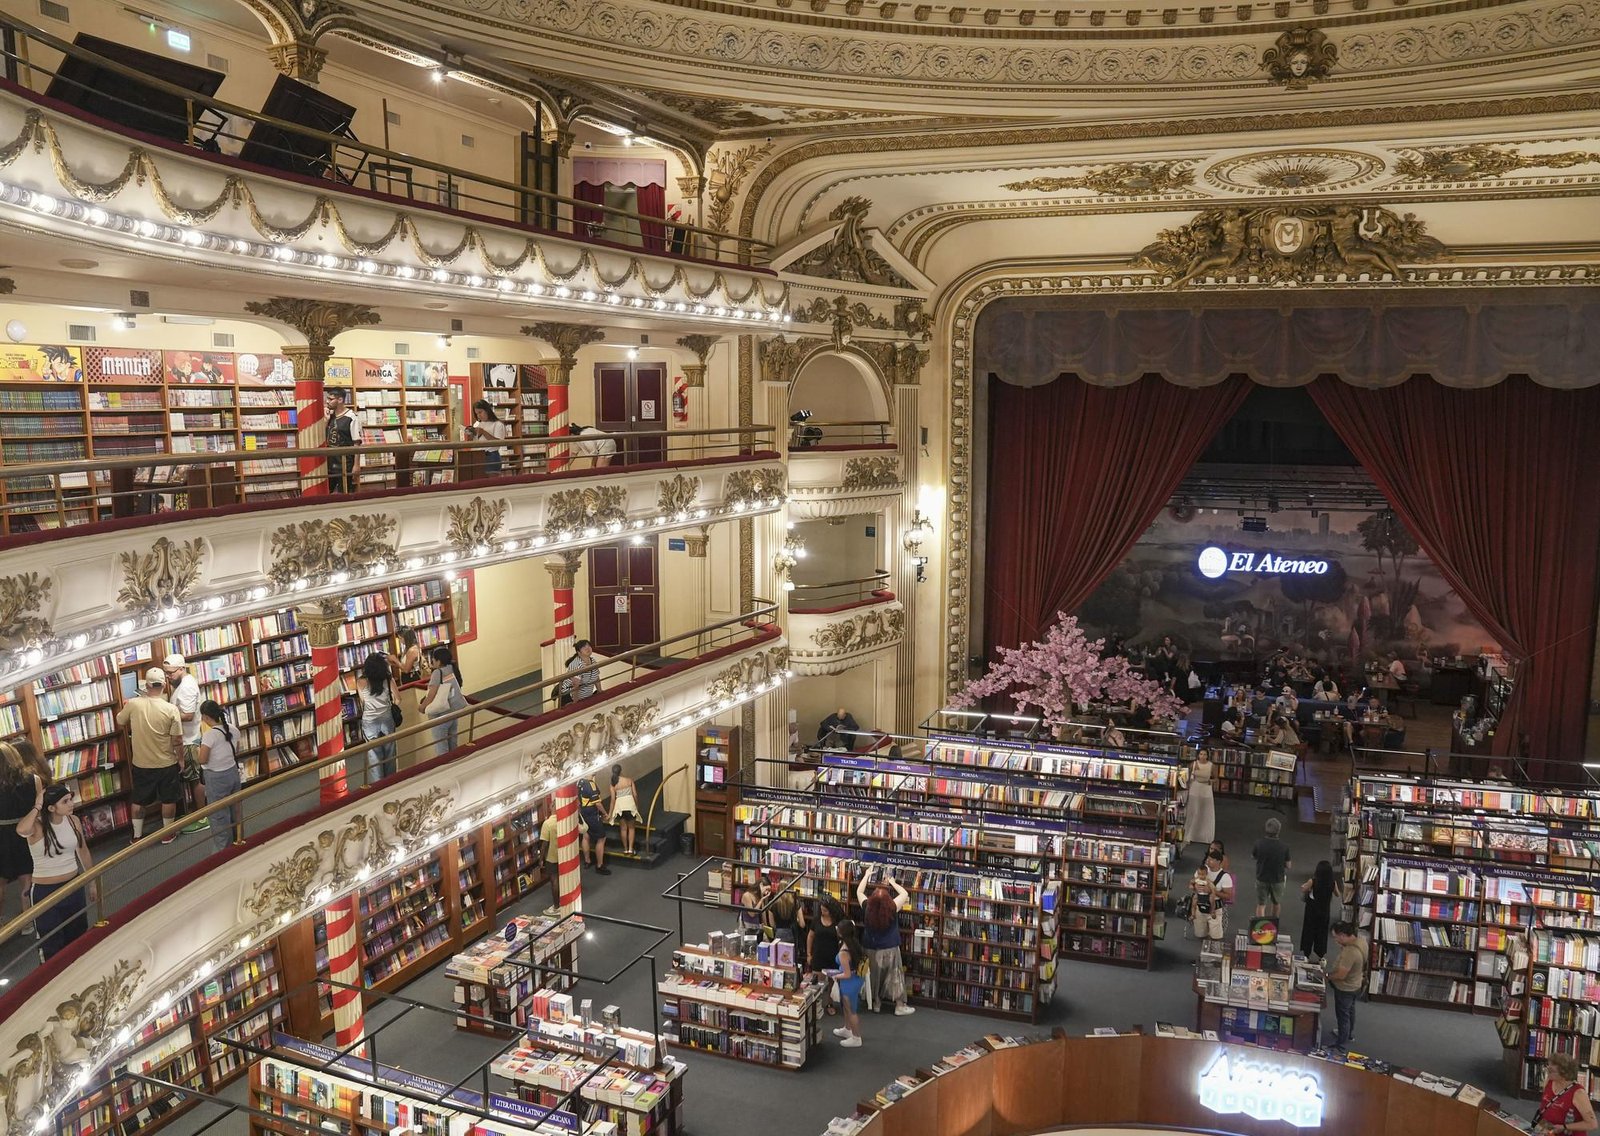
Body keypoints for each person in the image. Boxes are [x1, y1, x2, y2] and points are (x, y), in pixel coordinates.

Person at [17, 783, 95, 963]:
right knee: (51, 941)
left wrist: (92, 882)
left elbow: (83, 851)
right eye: (65, 801)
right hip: (46, 892)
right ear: (51, 808)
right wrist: (37, 805)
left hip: (73, 886)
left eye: (70, 799)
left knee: (78, 934)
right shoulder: (37, 826)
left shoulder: (73, 821)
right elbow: (21, 829)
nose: (71, 803)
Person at [116, 667, 184, 844]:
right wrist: (181, 759)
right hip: (166, 762)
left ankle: (137, 835)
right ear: (164, 685)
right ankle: (167, 833)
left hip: (141, 763)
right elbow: (177, 739)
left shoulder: (134, 704)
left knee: (139, 800)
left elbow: (120, 720)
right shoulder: (171, 709)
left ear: (146, 685)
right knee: (168, 799)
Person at [856, 870, 915, 1015]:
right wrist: (893, 882)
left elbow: (859, 891)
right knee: (895, 975)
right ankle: (899, 1005)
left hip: (870, 948)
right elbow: (904, 894)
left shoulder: (867, 907)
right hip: (890, 948)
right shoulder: (892, 907)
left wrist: (866, 875)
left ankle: (876, 1002)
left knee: (874, 976)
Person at [163, 654, 207, 833]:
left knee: (195, 780)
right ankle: (197, 813)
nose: (168, 677)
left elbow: (188, 715)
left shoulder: (187, 686)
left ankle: (203, 817)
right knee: (191, 779)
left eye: (171, 673)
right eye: (166, 673)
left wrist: (166, 714)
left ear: (181, 669)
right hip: (187, 738)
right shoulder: (182, 683)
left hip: (189, 741)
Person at [0, 741, 41, 922]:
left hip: (1, 835)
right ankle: (28, 922)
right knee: (27, 879)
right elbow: (38, 808)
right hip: (26, 832)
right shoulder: (34, 779)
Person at [197, 701, 242, 853]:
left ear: (205, 717)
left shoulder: (209, 736)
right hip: (233, 772)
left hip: (216, 778)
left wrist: (197, 752)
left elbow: (203, 759)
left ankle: (223, 851)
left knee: (219, 815)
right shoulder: (233, 729)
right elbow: (236, 750)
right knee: (235, 810)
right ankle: (239, 840)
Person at [1324, 921, 1367, 1049]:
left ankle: (1340, 1042)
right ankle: (1349, 1035)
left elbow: (1341, 975)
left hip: (1345, 988)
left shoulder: (1350, 952)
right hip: (1357, 984)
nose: (1335, 940)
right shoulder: (1362, 941)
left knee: (1343, 1015)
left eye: (1336, 937)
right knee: (1350, 1011)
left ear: (1342, 935)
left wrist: (1327, 976)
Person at [359, 652, 401, 781]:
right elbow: (398, 699)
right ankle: (391, 781)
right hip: (387, 718)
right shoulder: (388, 679)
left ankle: (378, 783)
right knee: (390, 751)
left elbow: (363, 702)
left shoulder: (361, 682)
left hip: (369, 721)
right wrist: (389, 706)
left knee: (373, 754)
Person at [825, 918, 867, 1047]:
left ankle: (856, 1037)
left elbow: (847, 974)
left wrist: (833, 975)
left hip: (849, 981)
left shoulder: (844, 952)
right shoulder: (854, 944)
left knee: (851, 1009)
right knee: (846, 1006)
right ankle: (847, 1029)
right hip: (855, 978)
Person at [1533, 1053, 1598, 1134]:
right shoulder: (1549, 1081)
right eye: (1548, 1067)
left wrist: (1564, 1127)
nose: (1547, 1072)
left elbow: (1592, 1124)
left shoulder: (1578, 1093)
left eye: (1551, 1071)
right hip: (1548, 1131)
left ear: (1564, 1073)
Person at [422, 645, 465, 757]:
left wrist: (422, 707)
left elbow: (431, 695)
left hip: (440, 715)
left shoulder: (437, 673)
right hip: (453, 712)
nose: (432, 661)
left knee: (441, 747)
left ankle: (446, 767)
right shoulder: (453, 668)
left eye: (433, 659)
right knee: (453, 743)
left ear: (439, 661)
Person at [1190, 848, 1234, 942]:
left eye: (1211, 859)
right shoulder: (1202, 870)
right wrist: (1195, 887)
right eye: (1208, 859)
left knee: (1215, 937)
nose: (1208, 861)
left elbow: (1228, 896)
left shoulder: (1225, 877)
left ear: (1218, 862)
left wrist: (1211, 891)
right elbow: (1192, 884)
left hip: (1214, 909)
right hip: (1200, 906)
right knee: (1200, 935)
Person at [1252, 816, 1292, 918]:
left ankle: (1260, 925)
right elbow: (1288, 865)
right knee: (1276, 903)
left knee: (1261, 904)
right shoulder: (1284, 847)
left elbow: (1254, 857)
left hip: (1261, 877)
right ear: (1278, 830)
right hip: (1277, 879)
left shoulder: (1258, 843)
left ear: (1266, 829)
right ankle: (1274, 923)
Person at [1300, 860, 1337, 963]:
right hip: (1325, 911)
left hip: (1312, 910)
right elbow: (1337, 894)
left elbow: (1303, 889)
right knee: (1322, 932)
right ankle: (1321, 955)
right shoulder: (1333, 883)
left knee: (1309, 931)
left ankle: (1307, 954)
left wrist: (1305, 886)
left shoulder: (1313, 881)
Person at [324, 387, 360, 492]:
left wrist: (356, 465)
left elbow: (357, 443)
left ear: (340, 400)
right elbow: (323, 437)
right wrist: (326, 421)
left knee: (344, 492)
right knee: (326, 492)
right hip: (329, 462)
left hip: (345, 463)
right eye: (327, 398)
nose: (327, 401)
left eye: (331, 399)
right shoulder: (330, 416)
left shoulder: (351, 417)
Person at [464, 399, 510, 475]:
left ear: (487, 410)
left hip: (490, 457)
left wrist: (483, 432)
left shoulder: (498, 424)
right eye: (477, 414)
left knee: (491, 480)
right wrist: (470, 435)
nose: (479, 416)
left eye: (480, 412)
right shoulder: (478, 424)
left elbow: (499, 443)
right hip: (477, 456)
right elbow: (474, 442)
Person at [576, 775, 611, 874]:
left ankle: (587, 861)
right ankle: (600, 865)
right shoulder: (591, 784)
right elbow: (598, 803)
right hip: (592, 813)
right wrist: (605, 813)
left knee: (586, 836)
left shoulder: (580, 782)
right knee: (601, 838)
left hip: (583, 811)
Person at [607, 764, 640, 857]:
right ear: (621, 771)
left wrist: (610, 813)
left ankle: (625, 849)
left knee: (623, 829)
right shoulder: (629, 780)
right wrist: (636, 805)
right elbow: (635, 795)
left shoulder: (613, 784)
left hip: (620, 807)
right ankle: (630, 849)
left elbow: (613, 800)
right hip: (629, 805)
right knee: (631, 828)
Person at [1187, 749, 1216, 847]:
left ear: (1207, 756)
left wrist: (1212, 781)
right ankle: (1190, 835)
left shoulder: (1211, 765)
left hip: (1206, 788)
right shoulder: (1193, 764)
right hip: (1195, 787)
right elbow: (1187, 776)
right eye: (1201, 754)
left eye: (1205, 754)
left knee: (1205, 812)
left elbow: (1216, 778)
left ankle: (1204, 836)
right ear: (1198, 755)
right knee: (1193, 811)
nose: (1203, 756)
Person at [559, 640, 600, 705]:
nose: (587, 648)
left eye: (588, 646)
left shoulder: (593, 660)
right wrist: (575, 703)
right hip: (571, 698)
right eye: (583, 647)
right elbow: (575, 685)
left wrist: (600, 691)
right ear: (579, 652)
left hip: (586, 697)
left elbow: (596, 677)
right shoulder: (576, 665)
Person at [539, 808, 561, 915]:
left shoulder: (547, 823)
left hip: (551, 857)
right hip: (563, 854)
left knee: (554, 881)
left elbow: (544, 844)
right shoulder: (563, 821)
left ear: (552, 807)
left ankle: (556, 907)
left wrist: (541, 859)